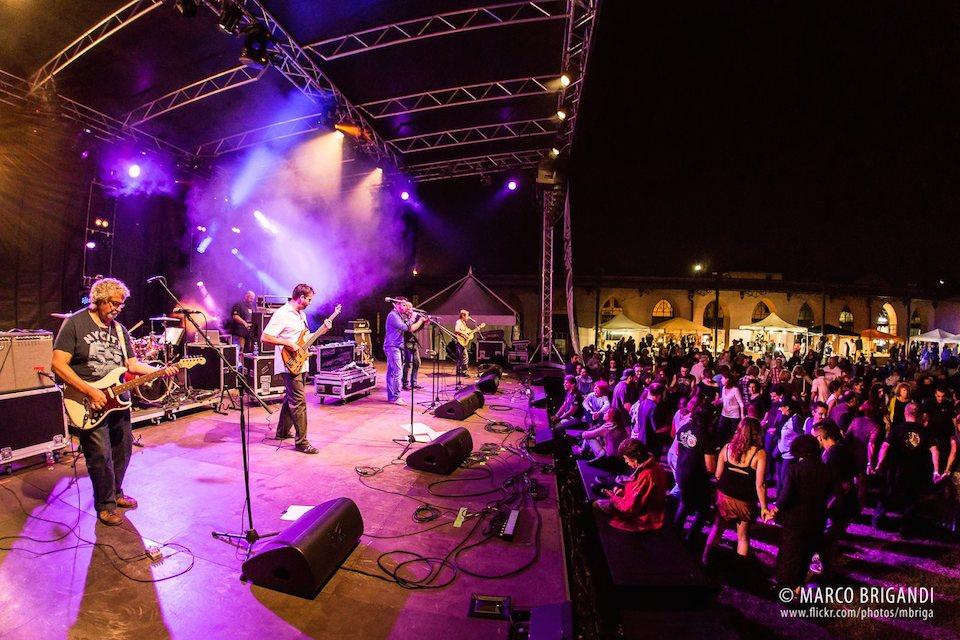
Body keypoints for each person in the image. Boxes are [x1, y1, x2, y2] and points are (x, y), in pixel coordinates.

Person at [51, 277, 179, 526]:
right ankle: (105, 505)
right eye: (114, 303)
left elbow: (132, 365)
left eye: (121, 304)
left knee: (123, 450)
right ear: (99, 299)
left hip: (118, 399)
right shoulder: (75, 323)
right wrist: (90, 391)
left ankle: (116, 492)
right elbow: (58, 364)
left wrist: (161, 370)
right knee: (100, 455)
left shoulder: (120, 330)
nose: (118, 308)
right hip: (89, 400)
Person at [261, 284, 337, 453]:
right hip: (288, 364)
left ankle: (282, 432)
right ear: (301, 297)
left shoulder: (301, 315)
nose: (310, 302)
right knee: (299, 402)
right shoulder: (282, 313)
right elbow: (265, 337)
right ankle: (302, 442)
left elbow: (304, 339)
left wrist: (322, 331)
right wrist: (288, 343)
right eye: (309, 299)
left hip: (300, 363)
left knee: (291, 399)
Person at [703, 417, 770, 564]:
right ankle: (739, 568)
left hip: (724, 495)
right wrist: (764, 507)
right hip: (744, 500)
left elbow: (718, 474)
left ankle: (706, 559)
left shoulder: (727, 448)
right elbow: (760, 484)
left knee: (717, 528)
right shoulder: (759, 454)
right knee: (743, 537)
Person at [770, 435, 832, 592]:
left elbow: (786, 495)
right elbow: (831, 492)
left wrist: (776, 509)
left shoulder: (796, 469)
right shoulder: (825, 469)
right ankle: (798, 583)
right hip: (817, 517)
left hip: (796, 518)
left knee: (790, 552)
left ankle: (784, 584)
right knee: (807, 552)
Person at [871, 403, 939, 535]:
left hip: (896, 470)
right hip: (915, 472)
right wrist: (935, 471)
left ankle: (877, 521)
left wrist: (879, 464)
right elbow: (935, 451)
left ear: (904, 413)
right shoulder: (924, 431)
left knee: (887, 495)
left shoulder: (897, 428)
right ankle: (905, 528)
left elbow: (885, 446)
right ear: (918, 415)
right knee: (910, 499)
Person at [593, 439, 668, 532]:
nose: (626, 461)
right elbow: (642, 494)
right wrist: (623, 493)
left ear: (634, 459)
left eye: (626, 458)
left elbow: (629, 507)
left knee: (596, 504)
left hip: (645, 517)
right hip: (647, 507)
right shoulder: (656, 466)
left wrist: (613, 497)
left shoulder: (646, 475)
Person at [382, 297, 420, 405]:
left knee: (392, 372)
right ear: (397, 304)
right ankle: (396, 397)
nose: (405, 307)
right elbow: (405, 327)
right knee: (398, 372)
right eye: (403, 305)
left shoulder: (398, 315)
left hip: (394, 346)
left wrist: (411, 317)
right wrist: (413, 317)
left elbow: (407, 326)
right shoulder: (393, 315)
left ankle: (392, 397)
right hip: (393, 346)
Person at [401, 303, 427, 391]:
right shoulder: (403, 317)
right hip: (406, 342)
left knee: (417, 362)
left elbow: (417, 329)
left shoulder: (412, 317)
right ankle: (405, 384)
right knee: (408, 363)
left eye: (411, 307)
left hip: (413, 343)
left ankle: (414, 383)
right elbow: (411, 328)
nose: (411, 309)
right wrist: (420, 320)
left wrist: (424, 322)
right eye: (409, 308)